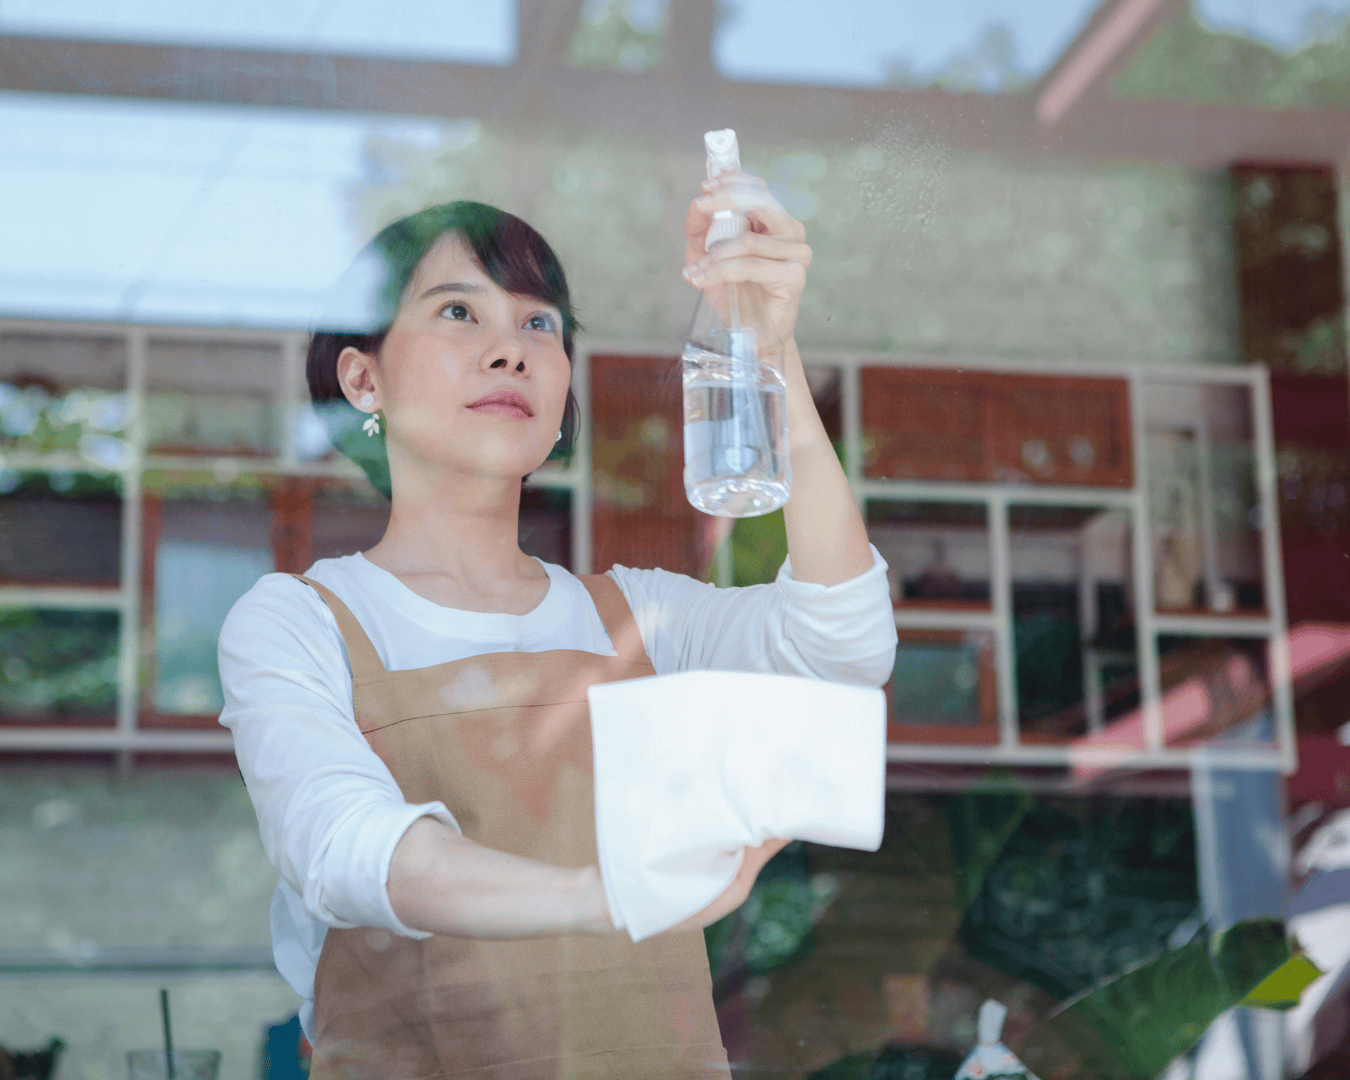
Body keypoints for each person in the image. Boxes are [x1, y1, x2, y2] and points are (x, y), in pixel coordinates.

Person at [219, 173, 897, 1079]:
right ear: (362, 376)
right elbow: (344, 846)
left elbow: (842, 645)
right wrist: (601, 894)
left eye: (540, 323)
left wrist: (771, 352)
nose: (512, 349)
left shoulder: (641, 617)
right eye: (459, 312)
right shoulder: (297, 622)